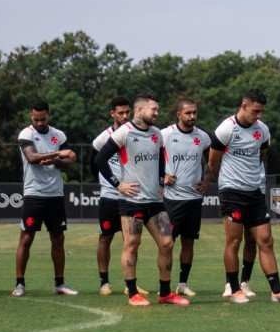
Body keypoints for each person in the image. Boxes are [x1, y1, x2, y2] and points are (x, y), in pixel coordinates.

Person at [204, 91, 280, 304]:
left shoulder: (262, 130)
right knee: (234, 240)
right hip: (232, 191)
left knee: (265, 240)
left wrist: (257, 181)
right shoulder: (226, 129)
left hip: (255, 192)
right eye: (255, 111)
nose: (258, 116)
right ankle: (234, 288)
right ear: (244, 105)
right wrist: (216, 183)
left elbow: (261, 155)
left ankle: (277, 291)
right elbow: (213, 162)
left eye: (261, 112)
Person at [93, 94, 187, 307]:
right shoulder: (124, 132)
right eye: (153, 109)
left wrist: (162, 182)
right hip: (132, 201)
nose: (157, 113)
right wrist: (118, 184)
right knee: (132, 244)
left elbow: (162, 160)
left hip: (154, 201)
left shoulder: (156, 134)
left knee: (167, 242)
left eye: (157, 109)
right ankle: (133, 293)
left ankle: (165, 293)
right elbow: (100, 159)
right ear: (140, 110)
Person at [13, 100, 79, 297]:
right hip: (34, 194)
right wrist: (58, 153)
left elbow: (69, 161)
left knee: (58, 239)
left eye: (43, 119)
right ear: (30, 116)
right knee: (26, 238)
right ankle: (19, 284)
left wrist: (56, 160)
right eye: (36, 119)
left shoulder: (58, 135)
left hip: (55, 195)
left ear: (48, 115)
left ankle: (59, 283)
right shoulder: (26, 134)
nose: (39, 122)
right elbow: (32, 158)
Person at [161, 98, 212, 298]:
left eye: (194, 113)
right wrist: (162, 176)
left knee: (188, 242)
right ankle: (164, 284)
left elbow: (213, 160)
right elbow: (151, 157)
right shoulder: (165, 135)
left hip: (194, 200)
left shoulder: (203, 137)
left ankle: (183, 283)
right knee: (166, 243)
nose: (192, 117)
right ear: (178, 114)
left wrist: (207, 180)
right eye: (188, 113)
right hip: (169, 200)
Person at [91, 97, 136, 296]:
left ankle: (130, 283)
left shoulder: (134, 134)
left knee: (131, 240)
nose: (125, 116)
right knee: (105, 238)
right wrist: (109, 183)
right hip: (110, 196)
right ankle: (104, 282)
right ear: (112, 114)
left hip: (131, 197)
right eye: (121, 113)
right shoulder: (103, 139)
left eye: (128, 112)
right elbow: (96, 163)